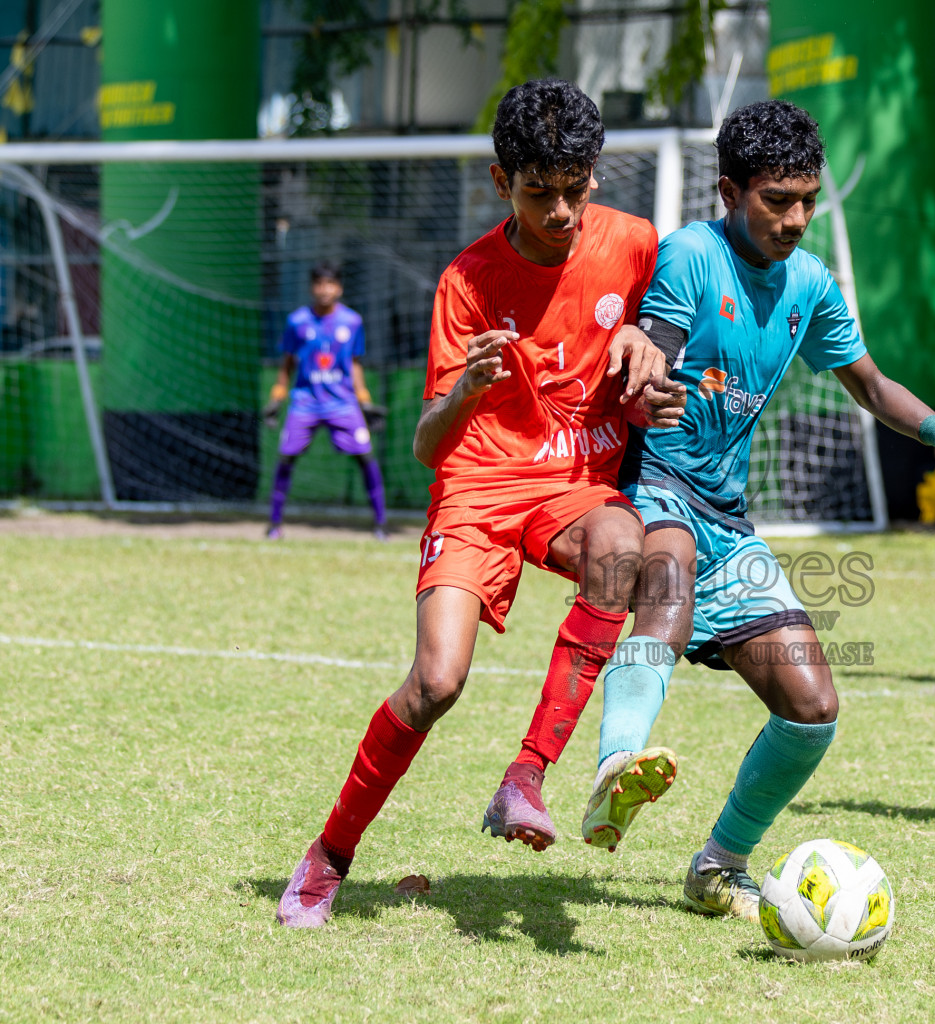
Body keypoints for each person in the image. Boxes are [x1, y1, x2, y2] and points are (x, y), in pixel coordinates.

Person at [571, 99, 935, 923]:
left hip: (729, 515)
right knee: (666, 585)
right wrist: (650, 384)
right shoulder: (692, 256)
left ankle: (719, 863)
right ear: (730, 189)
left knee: (813, 710)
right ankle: (615, 768)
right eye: (777, 199)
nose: (797, 218)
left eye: (807, 199)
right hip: (654, 486)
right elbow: (652, 357)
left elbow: (872, 384)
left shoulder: (810, 284)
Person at [275, 79, 683, 928]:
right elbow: (428, 443)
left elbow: (663, 340)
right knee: (435, 682)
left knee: (622, 544)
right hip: (478, 489)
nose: (563, 210)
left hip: (573, 485)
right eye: (541, 193)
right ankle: (330, 855)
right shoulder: (466, 279)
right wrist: (469, 387)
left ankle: (525, 778)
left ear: (595, 176)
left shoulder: (638, 245)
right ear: (502, 183)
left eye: (576, 188)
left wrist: (653, 368)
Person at [263, 263, 389, 540]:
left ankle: (381, 525)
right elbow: (287, 364)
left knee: (366, 457)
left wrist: (364, 400)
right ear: (311, 287)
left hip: (342, 402)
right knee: (286, 457)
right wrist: (277, 396)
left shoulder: (352, 321)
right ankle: (274, 525)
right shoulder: (297, 321)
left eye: (330, 283)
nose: (324, 290)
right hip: (305, 401)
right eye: (319, 283)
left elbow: (354, 364)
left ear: (339, 288)